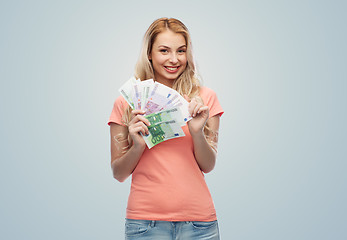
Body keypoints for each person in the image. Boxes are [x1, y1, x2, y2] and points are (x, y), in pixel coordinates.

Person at [108, 17, 224, 240]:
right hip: (145, 224)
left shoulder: (205, 99)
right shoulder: (126, 103)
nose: (174, 59)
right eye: (164, 51)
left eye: (181, 51)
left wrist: (197, 132)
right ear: (149, 53)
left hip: (200, 224)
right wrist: (137, 146)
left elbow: (208, 165)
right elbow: (118, 173)